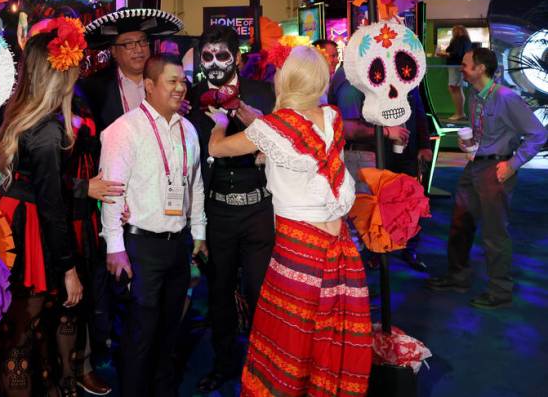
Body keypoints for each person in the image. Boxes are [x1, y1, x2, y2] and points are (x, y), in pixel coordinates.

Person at [209, 46, 371, 397]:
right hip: (340, 246)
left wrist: (220, 124)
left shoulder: (276, 127)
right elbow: (283, 134)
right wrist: (252, 117)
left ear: (284, 79)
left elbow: (218, 150)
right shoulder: (332, 118)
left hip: (300, 249)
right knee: (329, 338)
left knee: (291, 339)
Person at [0, 22, 89, 396]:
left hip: (11, 216)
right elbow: (52, 210)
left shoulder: (20, 115)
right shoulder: (47, 133)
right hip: (29, 226)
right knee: (24, 325)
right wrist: (69, 271)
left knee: (18, 323)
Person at [100, 54, 206, 397]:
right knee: (140, 334)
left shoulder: (188, 129)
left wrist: (199, 233)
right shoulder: (124, 130)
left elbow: (197, 186)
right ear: (149, 86)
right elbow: (111, 192)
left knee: (169, 331)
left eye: (182, 81)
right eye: (172, 81)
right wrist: (115, 247)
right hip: (140, 247)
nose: (180, 87)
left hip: (178, 244)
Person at [188, 27, 276, 392]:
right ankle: (224, 366)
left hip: (257, 212)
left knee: (259, 293)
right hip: (217, 211)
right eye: (206, 56)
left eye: (221, 55)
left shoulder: (260, 93)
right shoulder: (192, 98)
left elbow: (277, 143)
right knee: (219, 295)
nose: (214, 64)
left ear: (237, 58)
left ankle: (262, 368)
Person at [427, 48, 548, 309]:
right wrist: (468, 144)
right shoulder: (473, 95)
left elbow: (538, 134)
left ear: (481, 68)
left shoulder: (506, 98)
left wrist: (513, 164)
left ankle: (500, 291)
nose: (461, 68)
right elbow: (480, 131)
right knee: (461, 223)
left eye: (465, 64)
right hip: (474, 167)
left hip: (496, 170)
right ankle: (458, 277)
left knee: (495, 233)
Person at [330, 67, 433, 272]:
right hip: (376, 149)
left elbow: (418, 110)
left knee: (409, 199)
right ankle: (377, 252)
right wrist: (385, 133)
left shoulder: (404, 68)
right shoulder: (358, 71)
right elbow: (348, 126)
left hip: (407, 149)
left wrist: (424, 144)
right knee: (377, 202)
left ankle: (409, 247)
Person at [80, 8, 184, 135]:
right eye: (128, 44)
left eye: (143, 41)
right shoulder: (95, 88)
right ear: (113, 51)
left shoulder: (169, 81)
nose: (139, 49)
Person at [438, 25, 472, 121]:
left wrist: (446, 54)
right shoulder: (465, 40)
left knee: (455, 88)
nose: (453, 33)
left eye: (454, 31)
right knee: (456, 88)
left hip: (456, 66)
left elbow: (457, 53)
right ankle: (460, 112)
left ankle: (460, 113)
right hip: (457, 66)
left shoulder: (460, 40)